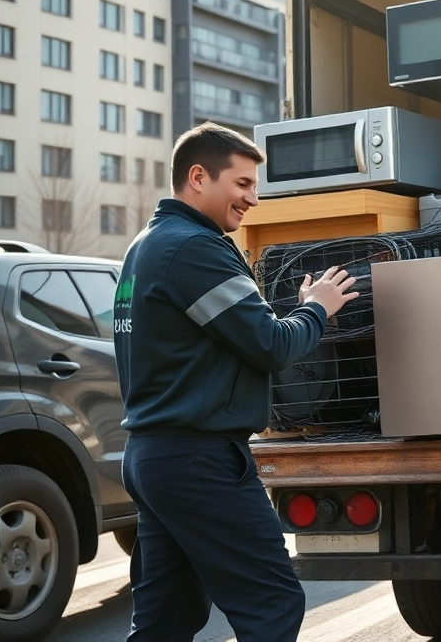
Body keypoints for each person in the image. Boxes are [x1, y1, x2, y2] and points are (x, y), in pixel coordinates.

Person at [115, 123, 359, 641]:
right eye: (243, 184)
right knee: (272, 602)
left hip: (153, 456)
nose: (253, 198)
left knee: (165, 618)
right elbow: (269, 345)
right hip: (199, 461)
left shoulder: (146, 246)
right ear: (198, 177)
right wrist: (317, 308)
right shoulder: (195, 248)